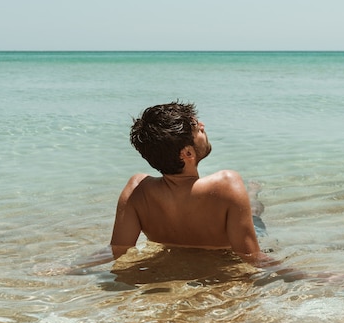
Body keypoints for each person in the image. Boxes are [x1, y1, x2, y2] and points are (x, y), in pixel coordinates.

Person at [110, 101, 271, 266]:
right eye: (196, 127)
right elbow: (251, 256)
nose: (203, 125)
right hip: (237, 239)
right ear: (187, 153)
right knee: (254, 213)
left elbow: (118, 250)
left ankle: (252, 193)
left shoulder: (137, 190)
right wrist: (293, 274)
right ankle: (252, 192)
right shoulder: (227, 184)